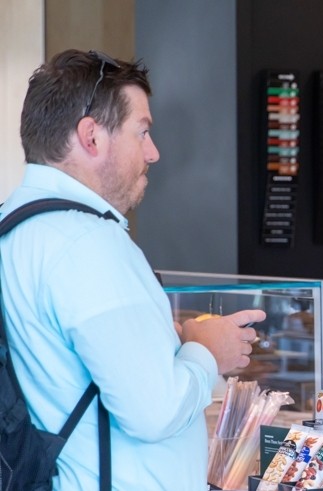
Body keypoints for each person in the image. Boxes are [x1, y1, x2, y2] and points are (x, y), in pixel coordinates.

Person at [0, 49, 264, 490]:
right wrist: (207, 352)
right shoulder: (86, 242)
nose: (153, 152)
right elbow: (153, 411)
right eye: (141, 131)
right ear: (92, 138)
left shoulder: (16, 229)